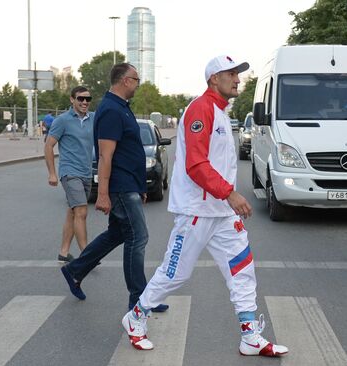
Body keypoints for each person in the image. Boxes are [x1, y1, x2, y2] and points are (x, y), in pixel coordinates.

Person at [121, 55, 289, 357]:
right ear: (214, 78)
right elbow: (196, 165)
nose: (238, 79)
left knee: (242, 270)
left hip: (222, 214)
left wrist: (227, 199)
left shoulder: (221, 113)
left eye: (238, 74)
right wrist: (231, 194)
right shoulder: (201, 109)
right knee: (176, 274)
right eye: (232, 74)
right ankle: (135, 317)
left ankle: (250, 335)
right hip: (197, 212)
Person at [60, 63, 168, 314]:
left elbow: (129, 151)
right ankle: (139, 299)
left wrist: (141, 185)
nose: (138, 84)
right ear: (125, 80)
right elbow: (106, 156)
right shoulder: (110, 110)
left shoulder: (122, 108)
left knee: (117, 234)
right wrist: (104, 194)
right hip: (120, 186)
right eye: (136, 79)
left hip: (130, 184)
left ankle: (75, 270)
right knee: (138, 237)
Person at [45, 86, 95, 263]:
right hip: (70, 172)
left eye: (87, 99)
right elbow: (49, 145)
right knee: (81, 211)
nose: (84, 102)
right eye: (80, 99)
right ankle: (87, 256)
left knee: (73, 212)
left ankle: (63, 253)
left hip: (86, 172)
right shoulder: (63, 120)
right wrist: (52, 173)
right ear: (72, 100)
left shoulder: (93, 119)